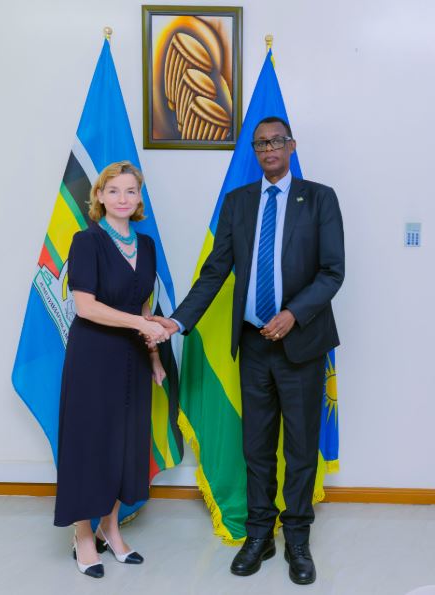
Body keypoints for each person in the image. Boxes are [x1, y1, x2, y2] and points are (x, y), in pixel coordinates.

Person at [150, 116, 345, 585]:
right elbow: (215, 271)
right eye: (260, 143)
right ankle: (259, 534)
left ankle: (297, 538)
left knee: (300, 448)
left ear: (291, 146)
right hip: (254, 345)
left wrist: (293, 314)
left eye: (277, 141)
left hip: (302, 343)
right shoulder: (237, 203)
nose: (269, 148)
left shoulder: (320, 198)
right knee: (256, 446)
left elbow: (332, 272)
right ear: (254, 152)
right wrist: (177, 321)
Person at [54, 161, 170, 579]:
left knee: (125, 445)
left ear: (139, 198)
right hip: (93, 356)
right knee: (89, 445)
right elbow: (86, 306)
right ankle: (83, 535)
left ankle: (111, 527)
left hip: (133, 358)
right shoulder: (87, 241)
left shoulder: (147, 245)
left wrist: (154, 357)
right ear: (100, 196)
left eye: (131, 191)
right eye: (114, 190)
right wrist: (141, 323)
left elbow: (144, 303)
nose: (123, 198)